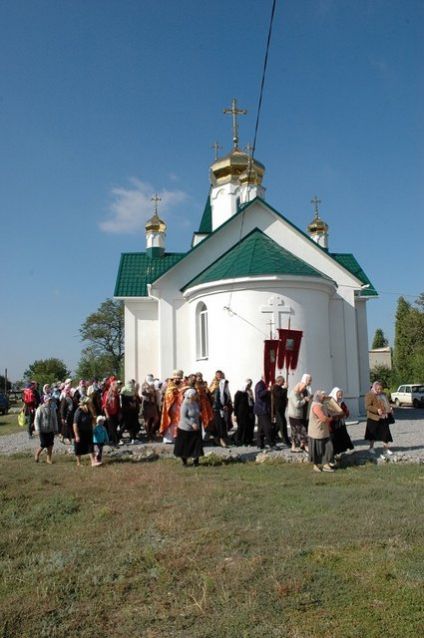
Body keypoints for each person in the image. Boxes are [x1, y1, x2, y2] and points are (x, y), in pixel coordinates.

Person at [174, 388, 204, 466]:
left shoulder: (195, 403)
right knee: (185, 446)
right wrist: (192, 424)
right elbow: (183, 417)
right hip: (185, 429)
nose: (196, 396)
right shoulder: (185, 404)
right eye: (195, 395)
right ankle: (184, 462)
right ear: (191, 395)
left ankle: (196, 461)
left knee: (196, 445)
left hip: (196, 428)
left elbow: (197, 412)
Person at [308, 390, 335, 472]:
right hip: (317, 431)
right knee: (318, 450)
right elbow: (323, 418)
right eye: (323, 396)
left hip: (323, 431)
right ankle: (316, 465)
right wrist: (331, 419)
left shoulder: (320, 405)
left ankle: (326, 465)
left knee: (328, 448)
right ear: (318, 397)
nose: (324, 397)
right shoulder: (316, 406)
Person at [364, 381, 394, 457]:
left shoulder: (383, 394)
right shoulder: (369, 395)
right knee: (373, 434)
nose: (379, 391)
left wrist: (390, 408)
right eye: (378, 389)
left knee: (386, 433)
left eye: (381, 389)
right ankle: (371, 448)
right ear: (374, 388)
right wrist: (376, 410)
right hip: (374, 418)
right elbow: (367, 406)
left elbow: (387, 403)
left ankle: (385, 449)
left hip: (384, 417)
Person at [288, 374, 312, 453]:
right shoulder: (293, 393)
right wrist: (304, 400)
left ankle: (294, 447)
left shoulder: (298, 393)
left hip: (297, 415)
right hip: (294, 415)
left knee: (294, 431)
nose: (304, 389)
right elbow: (297, 404)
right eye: (303, 388)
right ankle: (305, 446)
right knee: (303, 430)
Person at [328, 387, 354, 456]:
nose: (340, 396)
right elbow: (329, 412)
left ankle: (342, 451)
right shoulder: (330, 402)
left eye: (341, 395)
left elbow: (346, 410)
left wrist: (345, 414)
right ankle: (335, 452)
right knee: (335, 437)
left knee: (342, 435)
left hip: (340, 422)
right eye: (339, 395)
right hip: (333, 423)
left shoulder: (341, 402)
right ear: (335, 394)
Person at [160, 370, 184, 443]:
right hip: (171, 407)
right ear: (173, 378)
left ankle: (178, 437)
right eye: (176, 378)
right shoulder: (169, 385)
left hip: (180, 406)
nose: (177, 380)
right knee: (170, 422)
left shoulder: (182, 385)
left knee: (179, 422)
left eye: (179, 378)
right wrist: (175, 394)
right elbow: (167, 396)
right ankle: (169, 439)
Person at [73, 397, 98, 467]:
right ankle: (78, 463)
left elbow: (93, 420)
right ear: (85, 404)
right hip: (80, 431)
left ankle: (93, 462)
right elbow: (75, 424)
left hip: (89, 431)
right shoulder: (78, 411)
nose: (91, 404)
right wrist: (77, 435)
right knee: (79, 447)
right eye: (90, 403)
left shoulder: (89, 410)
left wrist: (94, 420)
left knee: (90, 446)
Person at [209, 370, 232, 447]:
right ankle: (219, 440)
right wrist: (222, 406)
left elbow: (227, 397)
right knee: (219, 425)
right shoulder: (215, 387)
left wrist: (227, 405)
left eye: (220, 375)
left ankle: (223, 439)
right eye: (218, 375)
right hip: (217, 409)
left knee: (223, 424)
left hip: (222, 409)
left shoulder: (224, 387)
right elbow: (215, 399)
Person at [34, 395, 58, 464]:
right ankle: (37, 454)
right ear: (45, 400)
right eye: (49, 400)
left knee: (50, 445)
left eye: (51, 400)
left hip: (50, 430)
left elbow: (55, 419)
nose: (50, 402)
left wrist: (56, 429)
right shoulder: (40, 409)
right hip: (42, 430)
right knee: (43, 444)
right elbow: (36, 420)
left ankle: (49, 459)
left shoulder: (52, 409)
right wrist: (37, 429)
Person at [254, 377, 276, 450]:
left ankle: (260, 444)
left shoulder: (264, 384)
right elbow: (260, 395)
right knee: (268, 427)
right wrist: (267, 390)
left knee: (261, 428)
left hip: (264, 409)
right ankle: (271, 444)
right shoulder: (260, 384)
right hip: (262, 409)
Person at [233, 379, 255, 446]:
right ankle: (237, 440)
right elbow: (236, 405)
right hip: (241, 413)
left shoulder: (248, 392)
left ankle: (246, 440)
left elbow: (251, 402)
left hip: (248, 411)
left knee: (248, 426)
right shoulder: (238, 393)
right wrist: (235, 415)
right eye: (248, 384)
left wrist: (251, 397)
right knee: (241, 427)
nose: (249, 386)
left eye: (250, 384)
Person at [271, 375, 290, 446]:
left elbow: (282, 395)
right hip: (278, 410)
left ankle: (271, 436)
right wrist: (285, 389)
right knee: (283, 424)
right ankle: (286, 441)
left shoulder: (279, 388)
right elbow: (279, 395)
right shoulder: (275, 387)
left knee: (278, 425)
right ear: (279, 381)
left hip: (281, 409)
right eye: (283, 381)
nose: (284, 382)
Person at [194, 372, 214, 439]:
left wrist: (207, 391)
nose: (200, 377)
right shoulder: (195, 385)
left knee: (207, 418)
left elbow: (208, 393)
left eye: (201, 376)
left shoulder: (203, 384)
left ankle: (206, 434)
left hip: (206, 404)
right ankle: (201, 435)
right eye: (198, 376)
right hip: (199, 403)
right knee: (201, 419)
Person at [120, 379, 141, 444]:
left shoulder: (131, 393)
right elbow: (123, 404)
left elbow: (139, 401)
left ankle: (133, 438)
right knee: (125, 425)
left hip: (132, 412)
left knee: (133, 426)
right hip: (127, 412)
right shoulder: (123, 394)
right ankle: (118, 437)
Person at [102, 378, 121, 446]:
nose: (116, 388)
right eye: (115, 387)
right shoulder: (107, 394)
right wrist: (107, 414)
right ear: (112, 386)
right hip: (109, 413)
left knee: (114, 427)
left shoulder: (116, 394)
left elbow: (117, 404)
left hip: (115, 413)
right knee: (112, 428)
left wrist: (118, 413)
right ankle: (115, 441)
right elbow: (104, 405)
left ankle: (111, 440)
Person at [141, 375, 160, 441]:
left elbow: (155, 393)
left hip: (153, 403)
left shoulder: (153, 384)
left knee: (156, 418)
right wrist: (149, 393)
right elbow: (142, 393)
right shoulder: (144, 384)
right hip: (147, 404)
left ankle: (151, 432)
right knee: (147, 420)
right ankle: (148, 435)